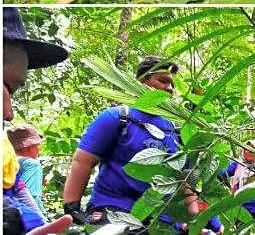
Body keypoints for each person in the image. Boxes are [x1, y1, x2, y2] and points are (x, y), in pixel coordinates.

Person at [62, 56, 222, 233]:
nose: (170, 88)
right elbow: (83, 161)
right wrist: (72, 208)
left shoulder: (176, 129)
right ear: (144, 81)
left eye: (172, 84)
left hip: (162, 222)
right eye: (163, 81)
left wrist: (203, 221)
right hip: (115, 214)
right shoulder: (117, 117)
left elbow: (184, 180)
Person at [3, 7, 73, 235]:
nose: (9, 113)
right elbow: (29, 194)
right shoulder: (30, 164)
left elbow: (18, 189)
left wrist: (38, 227)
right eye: (7, 87)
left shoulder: (7, 153)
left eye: (12, 92)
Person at [220, 140, 255, 234]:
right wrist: (229, 187)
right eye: (245, 149)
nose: (247, 152)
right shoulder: (238, 165)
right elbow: (222, 174)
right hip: (242, 208)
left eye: (251, 149)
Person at [7, 125, 46, 215]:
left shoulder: (7, 162)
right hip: (28, 215)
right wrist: (42, 218)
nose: (39, 148)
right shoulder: (32, 164)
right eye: (37, 145)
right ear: (27, 147)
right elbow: (32, 196)